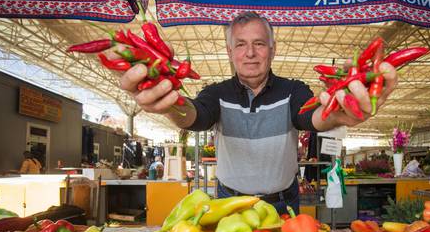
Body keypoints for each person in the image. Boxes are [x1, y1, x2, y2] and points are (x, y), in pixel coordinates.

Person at [119, 11, 397, 214]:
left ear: (272, 50)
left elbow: (309, 117)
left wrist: (338, 114)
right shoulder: (216, 93)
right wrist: (171, 105)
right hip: (228, 203)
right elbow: (197, 116)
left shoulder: (292, 90)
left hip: (282, 203)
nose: (250, 52)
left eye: (259, 43)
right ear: (230, 52)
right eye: (241, 44)